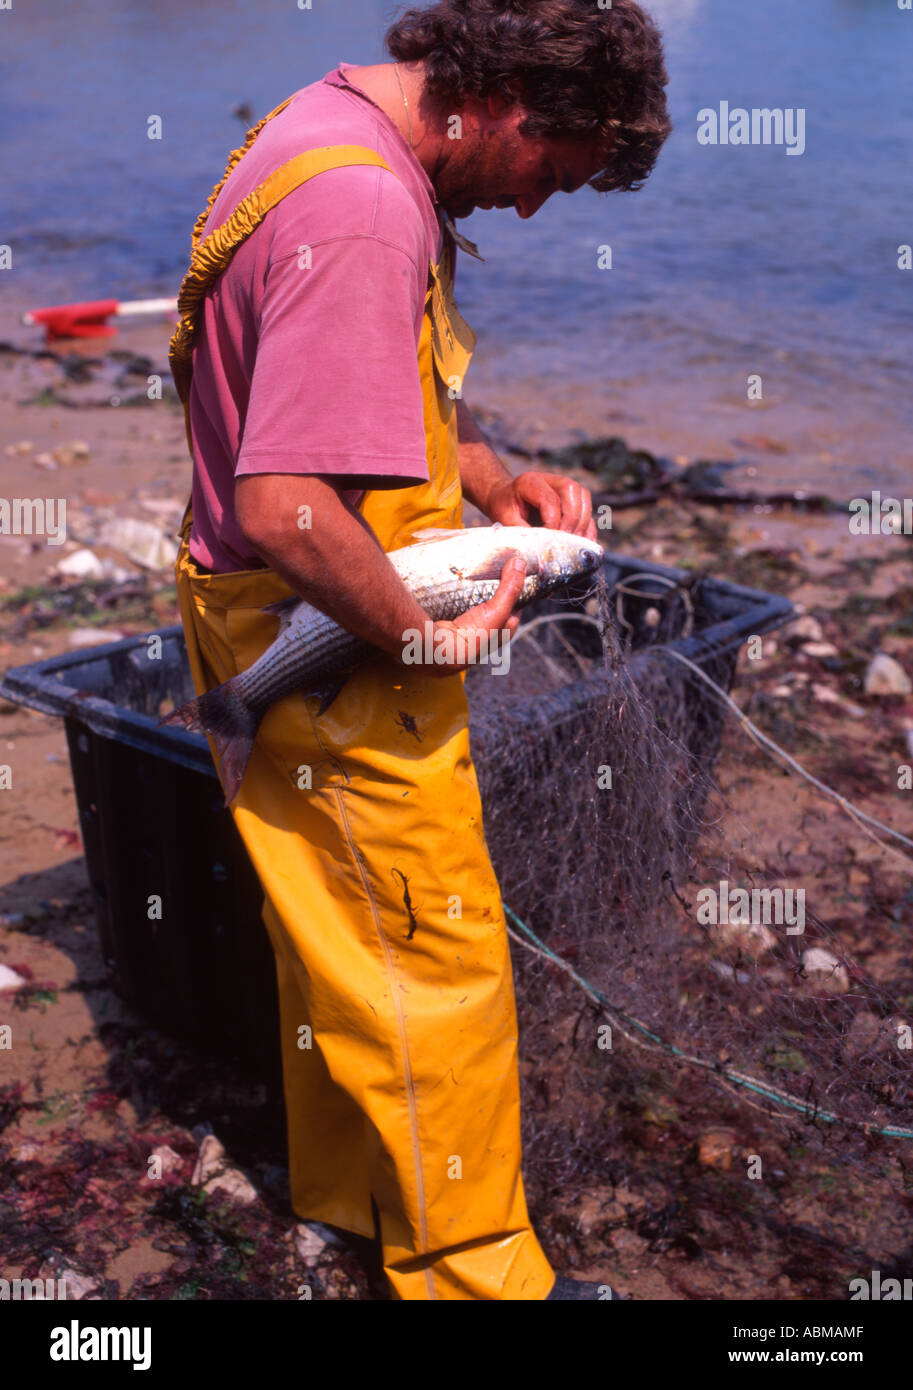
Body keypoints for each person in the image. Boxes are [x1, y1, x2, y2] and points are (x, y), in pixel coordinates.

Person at [169, 0, 670, 1300]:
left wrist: (488, 472)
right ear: (503, 98)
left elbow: (344, 394)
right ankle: (472, 1274)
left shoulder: (333, 120)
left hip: (262, 615)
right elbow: (283, 503)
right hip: (329, 629)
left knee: (341, 938)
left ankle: (356, 1198)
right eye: (543, 175)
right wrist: (424, 633)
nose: (532, 211)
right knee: (438, 956)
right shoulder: (366, 211)